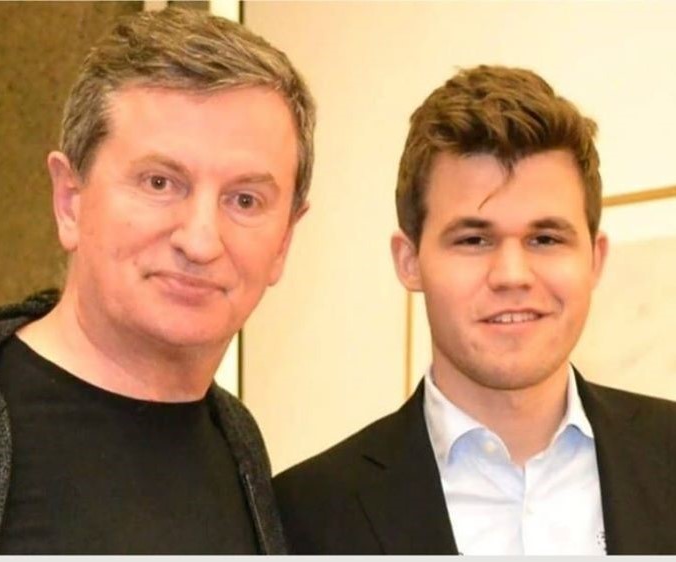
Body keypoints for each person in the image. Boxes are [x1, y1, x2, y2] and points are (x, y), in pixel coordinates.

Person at [0, 7, 314, 554]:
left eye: (245, 200)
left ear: (284, 240)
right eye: (160, 183)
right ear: (69, 200)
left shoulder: (238, 443)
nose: (201, 241)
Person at [273, 64, 676, 555]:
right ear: (409, 261)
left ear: (594, 259)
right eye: (473, 240)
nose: (512, 275)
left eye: (546, 238)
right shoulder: (304, 517)